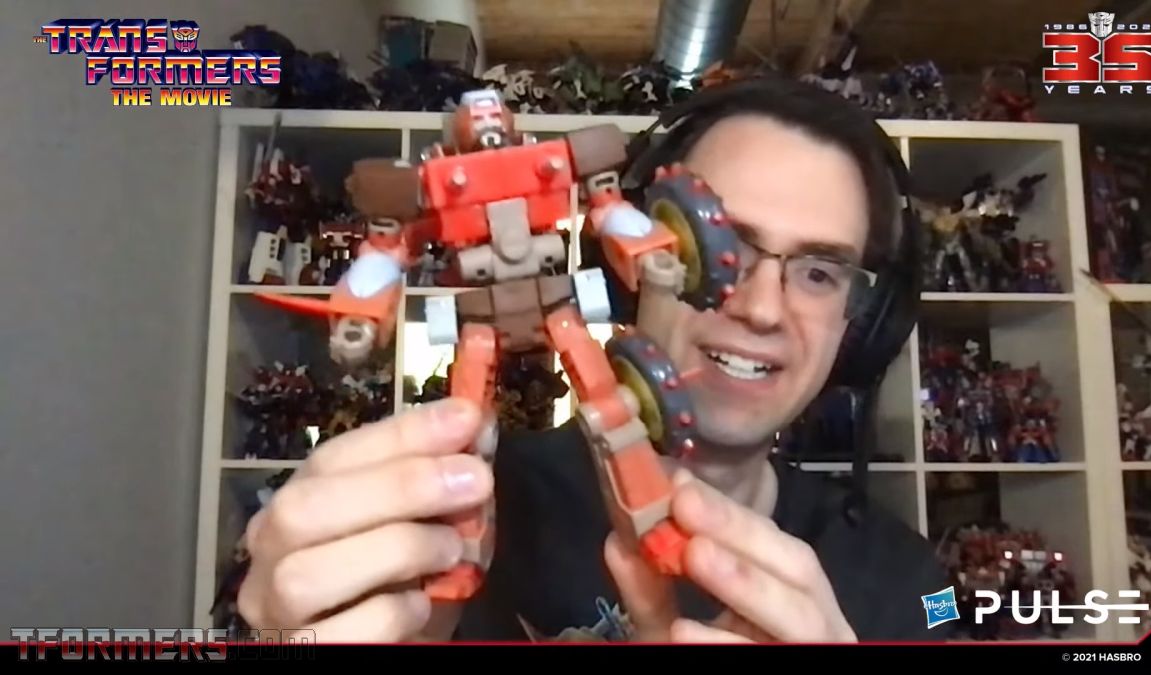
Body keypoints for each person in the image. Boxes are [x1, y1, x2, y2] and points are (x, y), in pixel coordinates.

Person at [235, 78, 954, 643]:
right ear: (624, 272)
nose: (762, 308)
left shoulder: (913, 583)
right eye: (722, 246)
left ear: (867, 324)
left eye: (819, 272)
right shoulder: (437, 517)